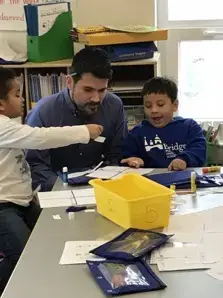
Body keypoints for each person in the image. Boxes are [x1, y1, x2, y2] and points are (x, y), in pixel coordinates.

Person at [0, 66, 103, 292]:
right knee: (27, 257)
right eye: (17, 95)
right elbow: (41, 137)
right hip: (4, 209)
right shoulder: (2, 127)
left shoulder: (8, 126)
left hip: (22, 203)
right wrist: (84, 131)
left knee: (46, 240)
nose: (23, 99)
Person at [26, 47, 128, 191]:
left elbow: (117, 154)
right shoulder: (43, 112)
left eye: (102, 90)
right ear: (69, 82)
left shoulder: (114, 106)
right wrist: (65, 188)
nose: (96, 98)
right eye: (88, 90)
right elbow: (35, 166)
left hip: (101, 186)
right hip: (57, 188)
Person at [121, 77, 206, 170]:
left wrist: (184, 159)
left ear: (175, 105)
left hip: (186, 180)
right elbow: (125, 157)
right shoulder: (137, 133)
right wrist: (133, 161)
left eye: (160, 104)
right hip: (150, 182)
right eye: (148, 106)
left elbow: (199, 150)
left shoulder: (190, 127)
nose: (154, 110)